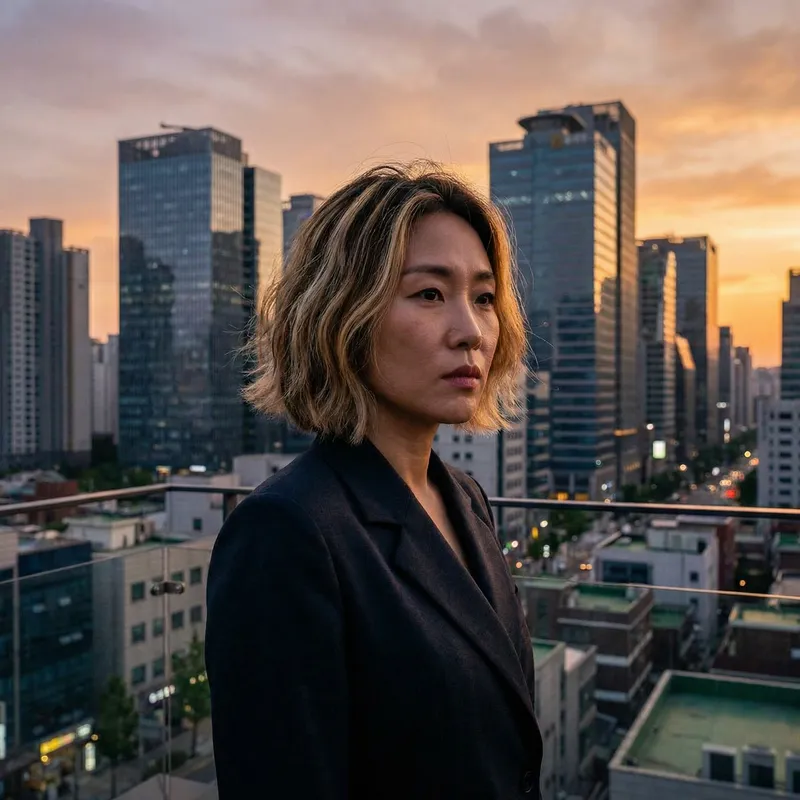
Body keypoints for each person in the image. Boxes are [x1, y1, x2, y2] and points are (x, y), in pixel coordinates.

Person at [205, 162, 544, 799]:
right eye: (429, 294)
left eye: (484, 298)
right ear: (344, 315)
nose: (471, 332)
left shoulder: (464, 498)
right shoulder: (286, 532)